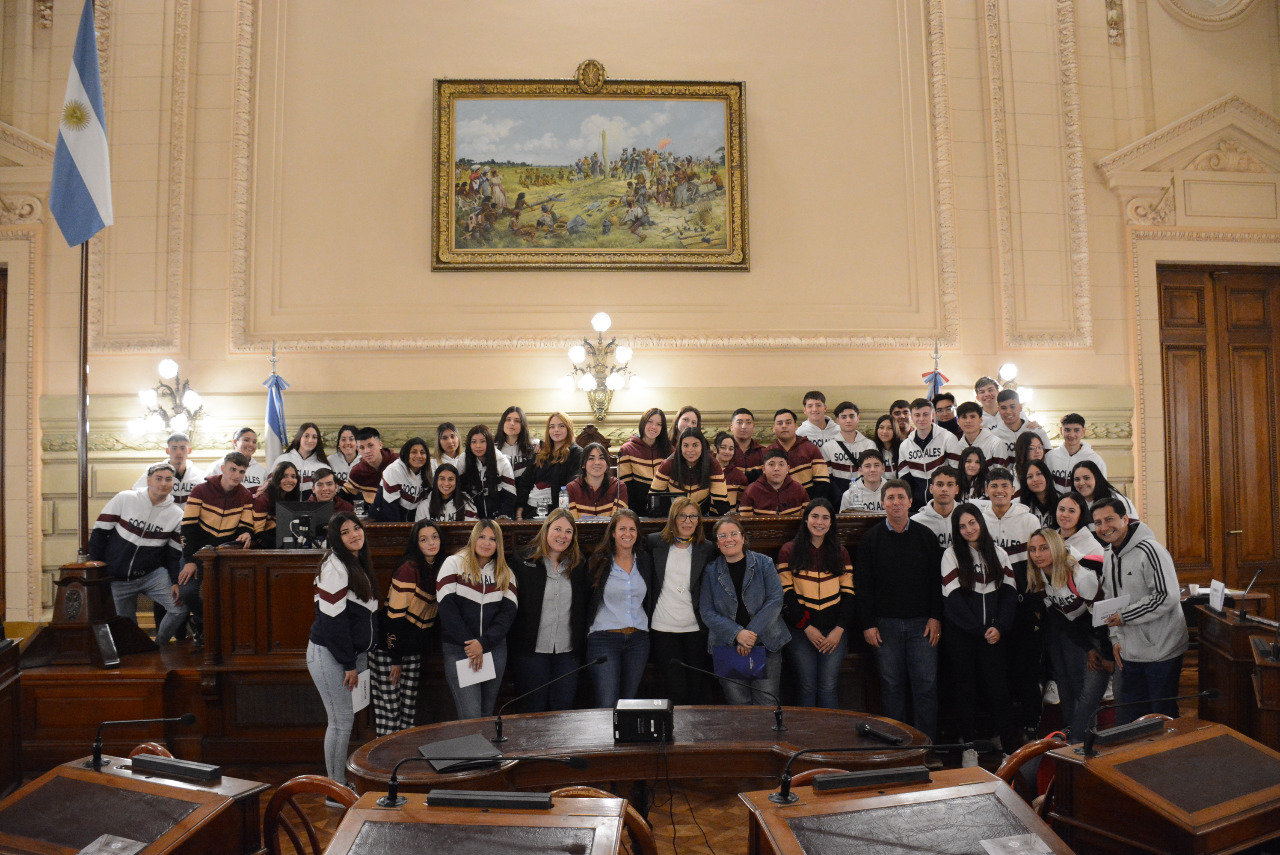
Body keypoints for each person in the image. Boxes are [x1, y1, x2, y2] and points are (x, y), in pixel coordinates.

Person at [855, 479, 944, 739]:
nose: (896, 503)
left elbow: (936, 582)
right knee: (891, 687)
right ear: (883, 503)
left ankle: (925, 746)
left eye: (901, 497)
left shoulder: (925, 536)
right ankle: (897, 746)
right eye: (891, 498)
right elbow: (863, 586)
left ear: (910, 502)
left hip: (922, 626)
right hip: (885, 626)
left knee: (926, 687)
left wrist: (935, 617)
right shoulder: (870, 539)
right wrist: (868, 624)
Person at [1093, 498, 1189, 723]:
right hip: (1130, 651)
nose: (1104, 527)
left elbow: (1167, 596)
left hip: (1162, 648)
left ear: (1125, 519)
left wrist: (1124, 616)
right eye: (1098, 523)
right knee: (1134, 716)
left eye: (1109, 519)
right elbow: (1111, 600)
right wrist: (1116, 639)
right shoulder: (1108, 554)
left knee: (1162, 715)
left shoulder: (1151, 550)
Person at [307, 512, 378, 793]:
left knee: (344, 721)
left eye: (356, 528)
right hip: (329, 655)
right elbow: (332, 622)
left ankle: (338, 784)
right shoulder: (335, 566)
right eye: (345, 532)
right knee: (340, 722)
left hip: (349, 655)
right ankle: (335, 790)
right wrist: (349, 663)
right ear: (336, 538)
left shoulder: (357, 562)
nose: (354, 535)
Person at [941, 503, 1018, 758]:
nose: (969, 529)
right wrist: (979, 629)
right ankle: (968, 747)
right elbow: (953, 600)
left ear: (980, 523)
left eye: (972, 523)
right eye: (962, 526)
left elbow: (1009, 594)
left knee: (999, 690)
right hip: (964, 636)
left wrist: (1000, 626)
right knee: (965, 690)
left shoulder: (999, 553)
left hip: (995, 635)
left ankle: (1008, 747)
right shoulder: (951, 555)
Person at [980, 466, 1045, 740]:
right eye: (994, 486)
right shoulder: (979, 518)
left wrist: (1036, 603)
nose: (999, 491)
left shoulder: (1028, 519)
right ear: (986, 490)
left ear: (1013, 489)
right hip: (991, 599)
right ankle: (999, 729)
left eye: (1005, 486)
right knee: (996, 670)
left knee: (1026, 666)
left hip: (1022, 599)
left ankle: (1031, 723)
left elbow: (1037, 563)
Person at [89, 462, 186, 644]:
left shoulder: (177, 514)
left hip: (152, 575)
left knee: (179, 609)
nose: (163, 483)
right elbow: (99, 533)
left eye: (168, 479)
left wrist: (175, 581)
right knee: (126, 626)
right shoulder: (125, 498)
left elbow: (174, 554)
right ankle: (136, 652)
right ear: (148, 480)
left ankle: (158, 646)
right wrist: (97, 568)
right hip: (117, 578)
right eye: (158, 478)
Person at [699, 515, 789, 705]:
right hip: (727, 646)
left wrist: (749, 635)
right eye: (722, 536)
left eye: (733, 534)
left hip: (766, 643)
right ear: (717, 543)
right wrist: (737, 634)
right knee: (738, 706)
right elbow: (707, 611)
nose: (729, 539)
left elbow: (775, 600)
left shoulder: (764, 563)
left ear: (743, 537)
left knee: (767, 703)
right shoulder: (711, 571)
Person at [1029, 528, 1107, 741]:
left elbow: (1102, 618)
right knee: (1068, 681)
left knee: (1088, 690)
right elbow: (1060, 617)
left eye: (1043, 548)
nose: (1037, 555)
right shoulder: (1040, 576)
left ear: (1056, 547)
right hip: (1079, 631)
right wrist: (1086, 647)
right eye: (1033, 550)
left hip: (1104, 633)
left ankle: (1085, 737)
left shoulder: (1081, 575)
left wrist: (1097, 650)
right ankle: (1075, 733)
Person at [510, 509, 591, 712]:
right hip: (532, 651)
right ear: (546, 530)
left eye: (568, 531)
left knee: (563, 709)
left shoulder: (579, 564)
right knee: (533, 709)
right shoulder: (523, 560)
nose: (563, 536)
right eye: (557, 529)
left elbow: (584, 605)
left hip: (567, 652)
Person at [436, 520, 518, 719]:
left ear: (498, 544)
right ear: (473, 538)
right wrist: (471, 645)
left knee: (486, 713)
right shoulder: (453, 564)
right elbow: (447, 610)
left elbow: (506, 616)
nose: (486, 543)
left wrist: (483, 644)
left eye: (492, 539)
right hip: (459, 648)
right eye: (482, 537)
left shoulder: (505, 573)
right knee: (471, 716)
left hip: (494, 649)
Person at [778, 499, 854, 708]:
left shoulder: (840, 552)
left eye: (825, 518)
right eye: (815, 516)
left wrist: (839, 629)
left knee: (828, 686)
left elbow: (849, 595)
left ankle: (830, 730)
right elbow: (786, 595)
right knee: (807, 686)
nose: (819, 522)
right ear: (805, 519)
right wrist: (807, 627)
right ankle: (807, 730)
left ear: (831, 523)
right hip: (801, 632)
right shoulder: (789, 550)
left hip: (834, 631)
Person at [370, 520, 442, 736]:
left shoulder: (438, 567)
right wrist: (396, 659)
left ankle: (402, 757)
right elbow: (393, 619)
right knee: (389, 714)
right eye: (424, 539)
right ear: (415, 543)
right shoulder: (408, 569)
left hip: (413, 651)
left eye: (435, 537)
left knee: (408, 714)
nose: (431, 543)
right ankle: (385, 758)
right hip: (389, 650)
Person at [646, 498, 717, 705]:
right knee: (675, 690)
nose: (688, 521)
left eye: (693, 516)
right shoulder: (654, 543)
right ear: (673, 519)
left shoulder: (707, 548)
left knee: (697, 689)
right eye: (682, 516)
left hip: (695, 628)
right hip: (663, 627)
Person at [180, 452, 255, 644]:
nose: (236, 475)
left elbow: (246, 526)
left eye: (241, 472)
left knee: (233, 597)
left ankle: (212, 631)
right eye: (233, 469)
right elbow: (188, 528)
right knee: (187, 593)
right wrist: (189, 560)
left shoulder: (245, 495)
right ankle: (206, 623)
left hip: (223, 557)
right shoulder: (200, 490)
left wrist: (248, 533)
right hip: (196, 554)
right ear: (223, 468)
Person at [585, 510, 653, 706]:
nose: (627, 534)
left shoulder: (645, 560)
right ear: (613, 532)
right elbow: (586, 600)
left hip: (638, 640)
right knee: (607, 703)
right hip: (604, 639)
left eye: (632, 529)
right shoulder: (598, 560)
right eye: (622, 528)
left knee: (628, 704)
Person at [897, 397, 964, 510]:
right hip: (915, 506)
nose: (921, 419)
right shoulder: (905, 445)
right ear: (912, 417)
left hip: (944, 503)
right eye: (917, 415)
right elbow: (904, 479)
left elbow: (957, 472)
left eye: (925, 414)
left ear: (933, 415)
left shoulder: (948, 438)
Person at [648, 428, 730, 517]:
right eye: (686, 445)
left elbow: (721, 502)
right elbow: (654, 499)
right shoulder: (668, 465)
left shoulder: (713, 464)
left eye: (695, 445)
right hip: (673, 515)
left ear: (702, 446)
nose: (690, 450)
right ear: (680, 447)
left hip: (702, 515)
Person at [517, 412, 584, 520]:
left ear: (569, 428)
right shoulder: (541, 452)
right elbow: (525, 481)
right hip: (530, 509)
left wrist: (558, 515)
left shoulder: (577, 453)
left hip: (557, 511)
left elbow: (572, 486)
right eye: (552, 427)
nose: (556, 430)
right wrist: (520, 508)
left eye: (561, 426)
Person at [617, 408, 672, 515]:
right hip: (636, 512)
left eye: (659, 424)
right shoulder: (627, 450)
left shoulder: (669, 450)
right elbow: (625, 488)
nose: (654, 427)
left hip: (665, 511)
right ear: (643, 423)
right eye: (650, 422)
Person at [768, 409, 830, 500]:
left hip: (808, 503)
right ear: (774, 428)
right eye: (780, 423)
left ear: (796, 426)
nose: (784, 426)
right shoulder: (768, 452)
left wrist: (813, 505)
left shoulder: (810, 448)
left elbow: (822, 482)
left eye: (788, 423)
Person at [459, 424, 517, 519]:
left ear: (489, 442)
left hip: (498, 510)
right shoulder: (463, 459)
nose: (478, 446)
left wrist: (503, 515)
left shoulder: (502, 461)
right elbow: (460, 490)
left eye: (482, 441)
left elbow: (510, 494)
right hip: (472, 510)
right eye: (474, 442)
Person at [822, 401, 874, 502]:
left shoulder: (869, 445)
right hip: (837, 496)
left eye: (852, 416)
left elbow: (872, 472)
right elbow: (828, 476)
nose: (848, 420)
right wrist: (839, 497)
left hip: (864, 494)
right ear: (837, 420)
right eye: (844, 417)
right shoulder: (828, 447)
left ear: (858, 419)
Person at [1044, 413, 1107, 494]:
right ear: (1061, 430)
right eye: (1067, 430)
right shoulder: (1049, 457)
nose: (1071, 434)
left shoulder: (1094, 459)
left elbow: (1101, 488)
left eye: (1076, 430)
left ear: (1083, 432)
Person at [373, 438, 430, 522]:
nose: (419, 456)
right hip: (384, 518)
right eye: (414, 452)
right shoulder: (394, 470)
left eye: (422, 452)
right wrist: (399, 528)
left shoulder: (428, 471)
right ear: (406, 454)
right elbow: (390, 506)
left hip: (412, 517)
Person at [990, 389, 1052, 468]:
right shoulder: (993, 436)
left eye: (1012, 407)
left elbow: (1049, 460)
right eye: (1003, 408)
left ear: (1020, 407)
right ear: (998, 409)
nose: (1008, 411)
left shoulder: (1036, 431)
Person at [132, 432, 199, 504]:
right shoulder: (154, 471)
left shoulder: (199, 475)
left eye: (182, 448)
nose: (178, 452)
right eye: (174, 448)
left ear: (189, 450)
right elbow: (134, 495)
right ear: (167, 450)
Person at [739, 449, 809, 517]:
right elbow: (745, 522)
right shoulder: (751, 491)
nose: (776, 469)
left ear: (788, 468)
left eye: (781, 464)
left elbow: (806, 519)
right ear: (763, 469)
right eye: (771, 464)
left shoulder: (799, 489)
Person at [566, 442, 627, 519]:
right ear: (583, 465)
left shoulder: (618, 487)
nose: (597, 463)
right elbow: (572, 522)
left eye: (601, 458)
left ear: (607, 464)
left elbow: (618, 521)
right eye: (591, 458)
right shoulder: (571, 489)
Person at [342, 427, 396, 513]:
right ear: (358, 450)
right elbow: (346, 496)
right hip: (373, 515)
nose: (367, 451)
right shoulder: (357, 470)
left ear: (380, 445)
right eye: (362, 447)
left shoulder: (397, 462)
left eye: (371, 446)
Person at [251, 459, 300, 547]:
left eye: (293, 476)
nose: (290, 480)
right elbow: (258, 532)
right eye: (284, 476)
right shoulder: (264, 499)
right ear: (277, 478)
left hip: (283, 539)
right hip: (264, 543)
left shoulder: (292, 497)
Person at [205, 427, 268, 493]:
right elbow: (207, 491)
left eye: (254, 442)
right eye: (246, 440)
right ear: (235, 442)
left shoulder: (262, 471)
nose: (251, 444)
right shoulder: (217, 466)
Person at [911, 465, 959, 549]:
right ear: (931, 488)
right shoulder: (916, 522)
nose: (944, 489)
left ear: (957, 489)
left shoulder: (967, 517)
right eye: (940, 484)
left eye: (950, 484)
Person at [1072, 460, 1138, 520]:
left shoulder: (1118, 500)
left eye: (1086, 478)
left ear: (1097, 478)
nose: (1081, 483)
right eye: (1077, 479)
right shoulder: (1074, 503)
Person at [278, 422, 329, 499]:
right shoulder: (282, 459)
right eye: (306, 436)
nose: (310, 440)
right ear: (299, 437)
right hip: (285, 505)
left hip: (313, 506)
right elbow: (272, 486)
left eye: (314, 437)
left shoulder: (323, 466)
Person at [496, 406, 541, 485]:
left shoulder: (535, 445)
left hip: (528, 489)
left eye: (517, 421)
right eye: (508, 419)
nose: (512, 423)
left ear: (523, 425)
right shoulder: (493, 447)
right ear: (503, 422)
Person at [713, 431, 748, 511]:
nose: (727, 452)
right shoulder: (705, 471)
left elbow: (740, 502)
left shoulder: (739, 476)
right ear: (715, 449)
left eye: (731, 449)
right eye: (723, 447)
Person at [729, 408, 766, 483]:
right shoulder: (723, 452)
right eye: (739, 422)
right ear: (731, 427)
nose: (744, 426)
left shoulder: (763, 452)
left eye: (748, 423)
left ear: (753, 427)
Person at [1018, 459, 1059, 527]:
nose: (1035, 479)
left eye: (1039, 474)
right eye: (1030, 476)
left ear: (1046, 476)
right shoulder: (1018, 504)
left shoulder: (1061, 500)